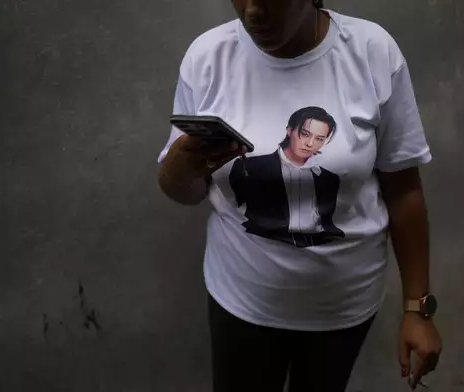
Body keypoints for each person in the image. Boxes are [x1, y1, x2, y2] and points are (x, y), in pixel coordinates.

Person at [157, 0, 442, 391]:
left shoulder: (372, 52)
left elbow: (404, 190)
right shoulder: (208, 57)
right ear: (289, 132)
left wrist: (418, 309)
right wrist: (177, 169)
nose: (253, 11)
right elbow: (185, 191)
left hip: (342, 309)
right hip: (242, 302)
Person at [229, 106, 344, 247]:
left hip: (324, 250)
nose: (310, 144)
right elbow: (233, 207)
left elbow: (328, 222)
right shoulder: (249, 167)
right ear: (289, 131)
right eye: (305, 134)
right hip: (261, 247)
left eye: (319, 139)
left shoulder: (329, 179)